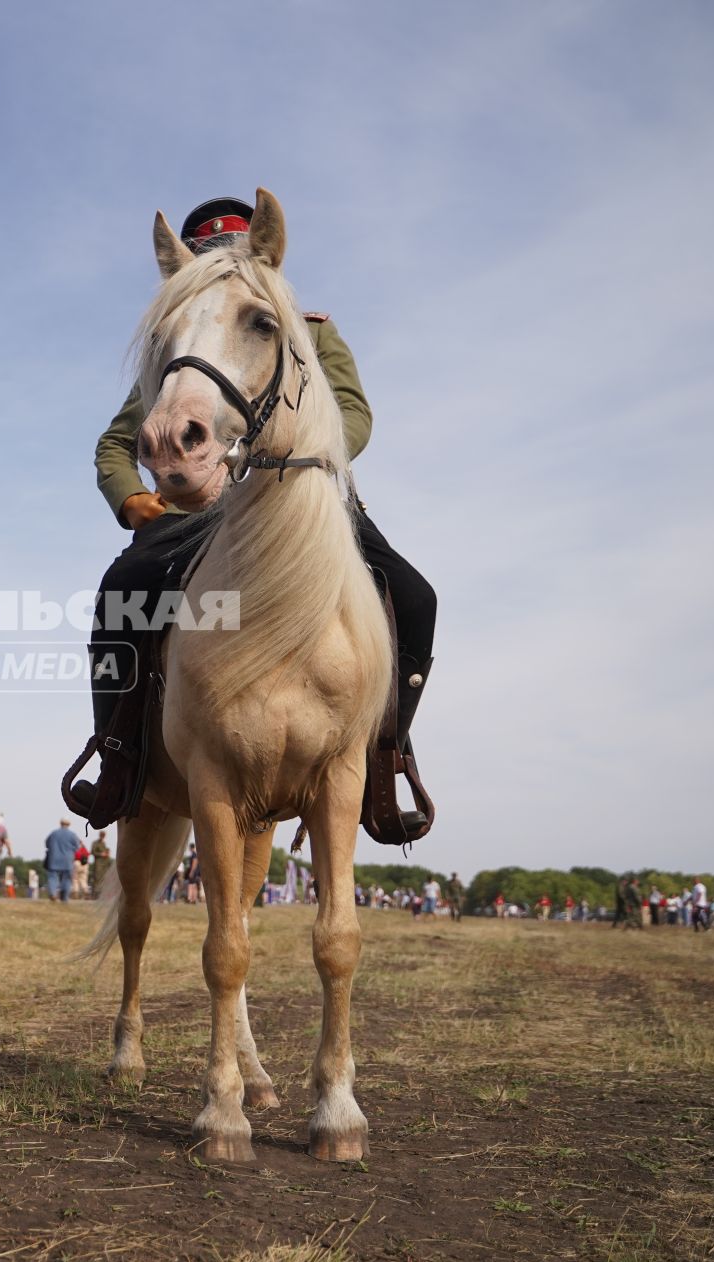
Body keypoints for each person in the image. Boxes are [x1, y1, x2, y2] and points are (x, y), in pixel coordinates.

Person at [68, 197, 437, 842]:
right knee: (122, 596)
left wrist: (303, 457)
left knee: (413, 596)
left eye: (229, 257)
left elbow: (353, 413)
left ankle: (386, 760)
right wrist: (135, 502)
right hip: (202, 508)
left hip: (303, 497)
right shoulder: (179, 346)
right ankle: (117, 750)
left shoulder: (308, 330)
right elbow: (116, 443)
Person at [43, 818, 80, 903]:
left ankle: (52, 893)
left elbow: (47, 844)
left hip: (54, 858)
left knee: (53, 877)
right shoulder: (72, 835)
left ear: (60, 823)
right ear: (69, 825)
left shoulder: (53, 833)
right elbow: (77, 847)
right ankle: (64, 897)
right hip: (67, 859)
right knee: (66, 879)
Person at [88, 829, 112, 896]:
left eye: (104, 835)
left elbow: (106, 854)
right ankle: (95, 894)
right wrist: (101, 854)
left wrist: (107, 853)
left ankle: (101, 894)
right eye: (102, 835)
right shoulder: (95, 843)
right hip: (98, 863)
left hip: (105, 863)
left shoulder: (104, 843)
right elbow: (92, 852)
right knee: (97, 878)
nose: (103, 836)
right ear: (100, 835)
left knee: (103, 878)